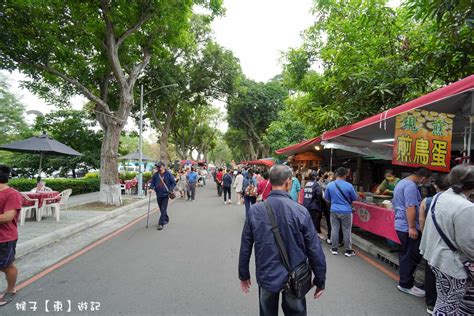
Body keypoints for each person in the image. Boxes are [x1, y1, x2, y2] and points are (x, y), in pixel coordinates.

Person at [238, 164, 326, 316]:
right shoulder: (300, 211)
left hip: (267, 275)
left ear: (270, 182)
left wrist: (244, 274)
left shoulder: (255, 210)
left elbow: (246, 245)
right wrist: (320, 279)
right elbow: (314, 248)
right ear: (288, 182)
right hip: (295, 276)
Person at [420, 165, 474, 315]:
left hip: (437, 258)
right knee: (449, 305)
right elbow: (469, 245)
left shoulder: (439, 197)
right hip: (453, 265)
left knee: (445, 301)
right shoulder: (466, 207)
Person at [392, 167, 432, 297]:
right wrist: (412, 227)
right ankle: (405, 285)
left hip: (401, 224)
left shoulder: (402, 182)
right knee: (410, 256)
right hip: (407, 226)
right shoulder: (411, 187)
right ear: (423, 178)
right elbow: (410, 207)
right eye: (427, 180)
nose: (427, 183)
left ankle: (406, 282)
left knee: (406, 255)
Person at [418, 175, 449, 314]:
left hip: (431, 241)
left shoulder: (427, 200)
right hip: (447, 244)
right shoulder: (459, 202)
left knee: (430, 271)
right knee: (444, 272)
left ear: (435, 186)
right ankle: (444, 301)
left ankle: (431, 303)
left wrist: (426, 236)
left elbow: (421, 220)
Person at [0, 165, 22, 306]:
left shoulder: (12, 194)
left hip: (5, 238)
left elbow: (8, 217)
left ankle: (10, 290)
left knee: (6, 266)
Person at [324, 167, 357, 257]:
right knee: (346, 230)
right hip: (346, 211)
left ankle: (334, 248)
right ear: (345, 175)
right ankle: (348, 250)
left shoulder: (330, 185)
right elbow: (354, 198)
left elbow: (326, 198)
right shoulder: (349, 186)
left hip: (334, 209)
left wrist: (334, 201)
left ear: (336, 174)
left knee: (334, 229)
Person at [149, 162, 176, 231]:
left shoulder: (168, 174)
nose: (158, 168)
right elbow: (152, 182)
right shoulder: (156, 174)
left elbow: (173, 182)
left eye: (159, 166)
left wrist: (170, 189)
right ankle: (166, 218)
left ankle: (161, 223)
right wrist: (151, 188)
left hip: (166, 194)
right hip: (158, 194)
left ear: (163, 166)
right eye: (157, 167)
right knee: (161, 209)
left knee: (163, 209)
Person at [303, 171, 324, 239]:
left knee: (308, 222)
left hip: (306, 205)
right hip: (313, 206)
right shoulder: (316, 184)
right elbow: (319, 194)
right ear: (315, 177)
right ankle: (312, 238)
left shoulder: (307, 183)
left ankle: (307, 235)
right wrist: (319, 202)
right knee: (314, 223)